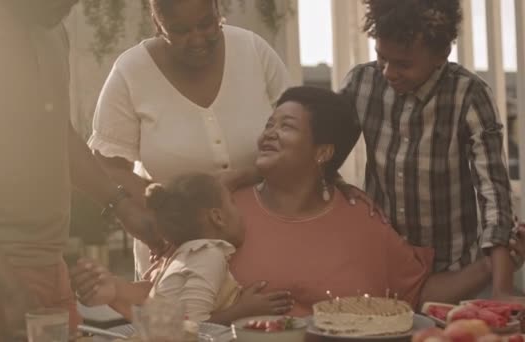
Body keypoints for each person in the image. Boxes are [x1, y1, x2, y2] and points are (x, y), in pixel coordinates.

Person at [0, 0, 160, 341]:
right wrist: (9, 285)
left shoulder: (49, 28)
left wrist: (122, 206)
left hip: (44, 259)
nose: (71, 6)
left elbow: (57, 132)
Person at [229, 86, 525, 317]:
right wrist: (232, 315)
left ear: (323, 153)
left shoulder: (361, 220)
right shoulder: (227, 211)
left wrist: (493, 266)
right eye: (270, 124)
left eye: (286, 126)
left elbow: (417, 294)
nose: (269, 133)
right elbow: (185, 309)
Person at [87, 0, 291, 278]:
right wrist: (169, 208)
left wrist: (243, 177)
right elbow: (108, 166)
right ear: (158, 25)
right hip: (175, 252)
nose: (197, 39)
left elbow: (300, 138)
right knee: (186, 320)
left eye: (207, 24)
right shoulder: (130, 71)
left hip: (265, 238)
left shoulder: (253, 51)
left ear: (218, 11)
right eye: (180, 30)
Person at [339, 0, 516, 298]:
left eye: (403, 64)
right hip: (384, 265)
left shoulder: (469, 95)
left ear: (441, 55)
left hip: (456, 268)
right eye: (382, 58)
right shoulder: (361, 82)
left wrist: (502, 291)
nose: (388, 72)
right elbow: (321, 149)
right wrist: (339, 186)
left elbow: (494, 195)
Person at [72, 173, 293, 324]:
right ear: (217, 217)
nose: (240, 212)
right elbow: (191, 328)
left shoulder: (182, 257)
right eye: (232, 204)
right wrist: (244, 310)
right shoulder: (209, 256)